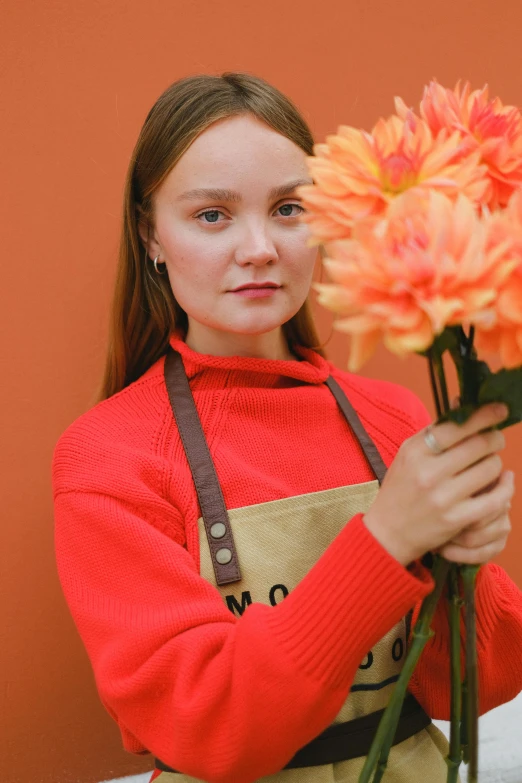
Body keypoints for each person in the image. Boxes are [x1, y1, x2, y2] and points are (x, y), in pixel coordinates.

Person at [52, 72, 522, 783]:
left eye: (289, 208)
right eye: (212, 215)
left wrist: (465, 563)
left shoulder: (395, 417)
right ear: (151, 235)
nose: (260, 248)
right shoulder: (107, 458)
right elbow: (213, 725)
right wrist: (389, 540)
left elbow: (479, 682)